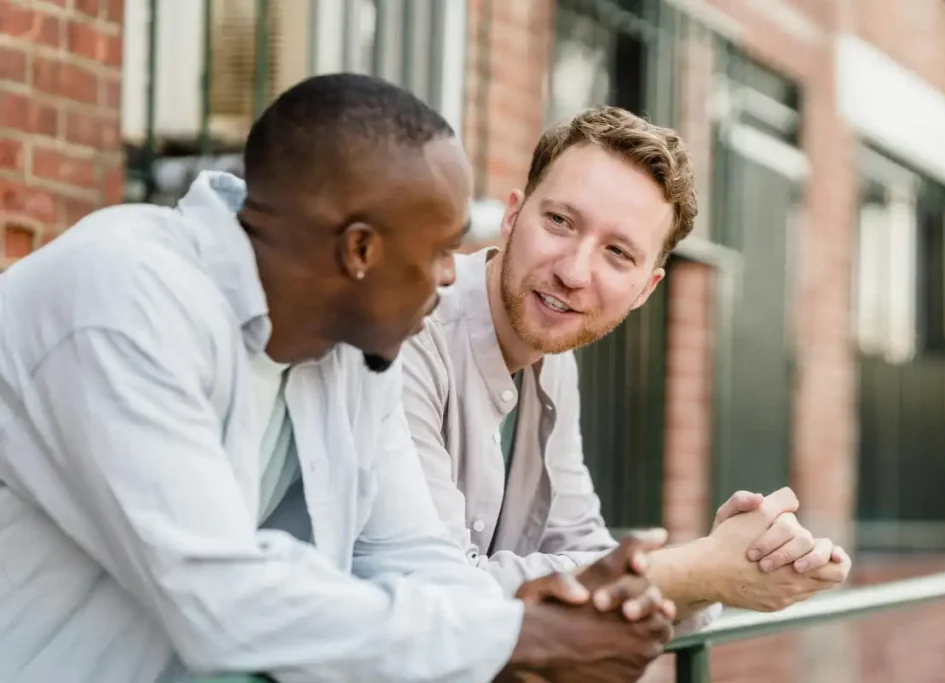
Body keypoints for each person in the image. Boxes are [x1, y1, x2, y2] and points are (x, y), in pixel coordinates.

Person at [0, 75, 675, 683]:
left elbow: (411, 556)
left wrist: (532, 626)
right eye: (440, 251)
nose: (453, 276)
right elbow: (220, 598)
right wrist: (518, 636)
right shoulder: (123, 299)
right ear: (360, 250)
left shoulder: (352, 348)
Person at [401, 105, 852, 627]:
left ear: (646, 290)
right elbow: (436, 591)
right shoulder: (409, 327)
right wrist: (695, 570)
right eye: (560, 221)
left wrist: (736, 563)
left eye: (617, 252)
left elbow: (582, 544)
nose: (572, 272)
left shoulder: (554, 360)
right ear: (511, 216)